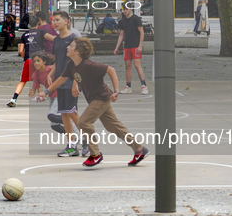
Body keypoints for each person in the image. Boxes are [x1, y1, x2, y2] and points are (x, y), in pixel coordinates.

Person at [38, 38, 149, 168]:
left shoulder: (89, 65)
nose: (68, 47)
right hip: (96, 99)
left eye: (71, 46)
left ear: (77, 51)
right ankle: (139, 149)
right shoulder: (71, 65)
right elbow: (61, 79)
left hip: (101, 97)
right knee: (113, 126)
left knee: (83, 122)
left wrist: (116, 90)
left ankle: (95, 154)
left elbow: (111, 70)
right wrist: (46, 91)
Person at [48, 10, 87, 157]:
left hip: (71, 80)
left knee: (72, 112)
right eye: (54, 20)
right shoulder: (57, 40)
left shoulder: (74, 38)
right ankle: (71, 146)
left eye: (58, 20)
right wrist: (51, 74)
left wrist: (76, 83)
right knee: (64, 113)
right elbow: (58, 60)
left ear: (66, 21)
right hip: (60, 81)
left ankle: (86, 141)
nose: (55, 22)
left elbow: (78, 62)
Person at [7, 15, 54, 108]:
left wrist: (26, 58)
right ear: (38, 22)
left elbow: (20, 51)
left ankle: (13, 99)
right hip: (40, 59)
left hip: (29, 59)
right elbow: (52, 38)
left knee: (23, 81)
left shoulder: (24, 35)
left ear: (28, 24)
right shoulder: (41, 32)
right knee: (43, 77)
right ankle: (48, 96)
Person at [114, 7, 148, 95]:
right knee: (127, 66)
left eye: (126, 9)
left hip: (135, 45)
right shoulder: (122, 21)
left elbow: (142, 32)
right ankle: (128, 86)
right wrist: (117, 47)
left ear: (130, 9)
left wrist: (140, 45)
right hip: (127, 46)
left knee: (137, 65)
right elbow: (121, 35)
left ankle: (144, 85)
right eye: (124, 9)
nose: (125, 11)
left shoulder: (136, 19)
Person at [29, 51, 64, 134]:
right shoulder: (36, 74)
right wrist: (34, 92)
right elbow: (35, 85)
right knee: (55, 125)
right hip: (52, 96)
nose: (36, 63)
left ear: (44, 61)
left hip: (60, 95)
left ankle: (73, 124)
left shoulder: (51, 69)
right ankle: (74, 137)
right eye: (34, 61)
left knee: (52, 116)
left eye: (38, 61)